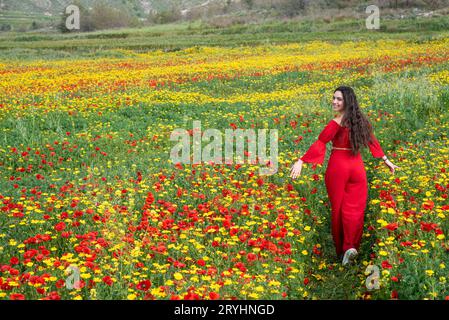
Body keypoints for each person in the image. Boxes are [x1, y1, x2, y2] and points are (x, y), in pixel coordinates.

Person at [290, 86, 400, 266]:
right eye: (334, 98)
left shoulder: (337, 120)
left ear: (347, 101)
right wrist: (386, 160)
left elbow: (321, 141)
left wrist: (302, 160)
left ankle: (342, 250)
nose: (334, 101)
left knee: (339, 209)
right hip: (357, 167)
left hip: (338, 167)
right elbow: (371, 140)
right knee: (355, 208)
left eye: (339, 99)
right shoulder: (360, 120)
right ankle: (351, 246)